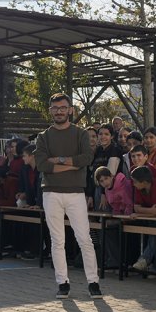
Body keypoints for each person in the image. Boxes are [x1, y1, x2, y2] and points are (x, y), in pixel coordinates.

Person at [34, 93, 102, 300]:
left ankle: (93, 282)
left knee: (84, 238)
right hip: (51, 193)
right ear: (50, 110)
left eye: (63, 107)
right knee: (57, 241)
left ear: (70, 109)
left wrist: (59, 161)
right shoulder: (43, 136)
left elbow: (86, 159)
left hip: (75, 193)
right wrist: (71, 164)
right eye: (55, 108)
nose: (59, 111)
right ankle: (62, 283)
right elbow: (42, 165)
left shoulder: (81, 134)